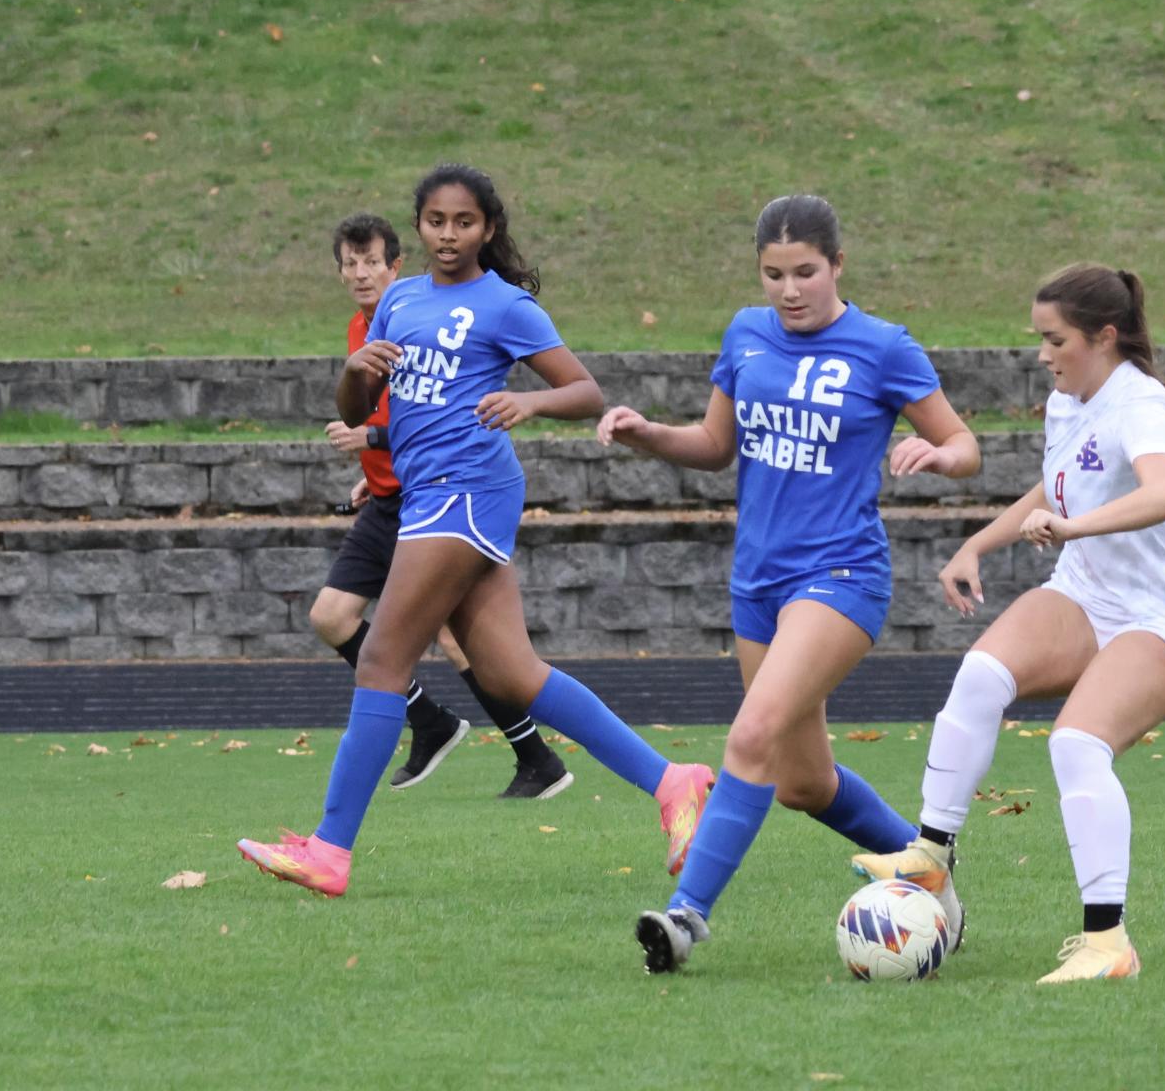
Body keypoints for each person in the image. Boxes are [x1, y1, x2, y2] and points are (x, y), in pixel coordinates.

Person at [238, 164, 714, 897]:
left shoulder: (504, 304)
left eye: (464, 222)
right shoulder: (399, 300)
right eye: (436, 221)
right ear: (419, 227)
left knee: (381, 660)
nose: (449, 234)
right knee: (512, 676)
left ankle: (330, 850)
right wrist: (354, 371)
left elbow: (585, 391)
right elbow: (359, 409)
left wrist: (529, 404)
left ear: (488, 228)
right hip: (429, 495)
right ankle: (672, 780)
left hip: (465, 495)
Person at [595, 194, 981, 973]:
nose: (789, 290)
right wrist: (647, 436)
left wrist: (939, 455)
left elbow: (964, 445)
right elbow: (714, 444)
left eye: (805, 272)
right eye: (773, 274)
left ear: (837, 264)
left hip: (841, 575)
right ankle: (926, 869)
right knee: (803, 783)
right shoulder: (746, 333)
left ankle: (685, 917)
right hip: (757, 584)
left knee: (750, 736)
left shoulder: (883, 347)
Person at [854, 263, 1165, 983]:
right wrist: (977, 544)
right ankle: (929, 856)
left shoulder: (1141, 407)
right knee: (981, 674)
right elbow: (1055, 487)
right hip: (1084, 595)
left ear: (1103, 337)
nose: (1043, 353)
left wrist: (1073, 528)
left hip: (1163, 617)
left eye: (1055, 340)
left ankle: (1108, 946)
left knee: (1077, 744)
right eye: (1039, 338)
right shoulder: (1067, 400)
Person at [312, 211, 572, 800]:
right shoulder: (372, 326)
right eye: (350, 264)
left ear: (396, 265)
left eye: (371, 262)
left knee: (457, 652)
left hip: (442, 497)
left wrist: (374, 442)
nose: (360, 273)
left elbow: (434, 417)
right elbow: (392, 412)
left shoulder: (431, 314)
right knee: (333, 618)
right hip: (392, 499)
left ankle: (534, 755)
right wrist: (374, 471)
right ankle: (437, 726)